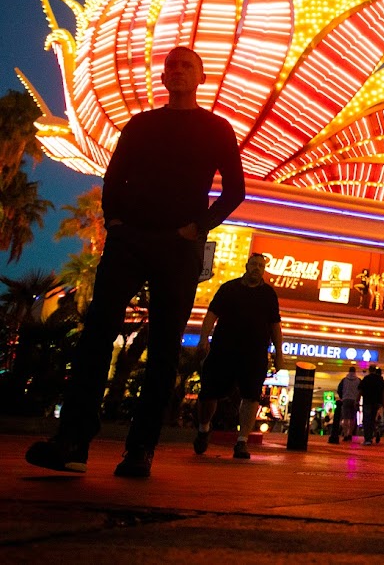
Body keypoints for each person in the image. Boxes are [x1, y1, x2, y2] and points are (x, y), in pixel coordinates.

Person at [26, 46, 245, 479]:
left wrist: (197, 228)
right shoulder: (141, 124)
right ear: (162, 78)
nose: (178, 71)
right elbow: (116, 175)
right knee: (96, 335)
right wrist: (116, 222)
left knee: (164, 347)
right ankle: (72, 441)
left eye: (187, 66)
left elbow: (234, 190)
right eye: (171, 66)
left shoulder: (217, 128)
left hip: (179, 246)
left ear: (201, 77)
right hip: (130, 241)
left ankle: (141, 449)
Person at [192, 252, 283, 460]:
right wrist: (203, 338)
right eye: (254, 264)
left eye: (261, 265)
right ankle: (204, 428)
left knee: (251, 396)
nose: (257, 268)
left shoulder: (269, 294)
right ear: (246, 265)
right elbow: (211, 315)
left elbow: (275, 325)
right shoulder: (229, 289)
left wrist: (279, 353)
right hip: (223, 349)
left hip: (254, 353)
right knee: (208, 394)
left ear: (264, 269)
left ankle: (242, 441)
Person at [359, 366, 384, 445]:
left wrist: (357, 400)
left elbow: (360, 390)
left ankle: (367, 439)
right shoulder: (380, 380)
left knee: (366, 420)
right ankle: (372, 436)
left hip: (367, 401)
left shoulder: (366, 378)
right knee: (373, 420)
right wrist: (383, 402)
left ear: (369, 370)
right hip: (376, 402)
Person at [337, 366, 361, 441]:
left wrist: (342, 397)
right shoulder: (358, 380)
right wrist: (357, 399)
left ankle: (345, 433)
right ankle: (350, 433)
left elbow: (339, 390)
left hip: (345, 399)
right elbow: (360, 391)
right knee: (352, 419)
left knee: (345, 418)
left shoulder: (344, 380)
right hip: (354, 400)